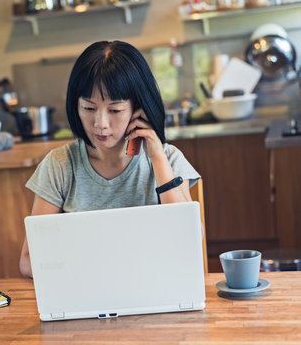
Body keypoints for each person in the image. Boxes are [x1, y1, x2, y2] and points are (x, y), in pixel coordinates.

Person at [19, 41, 201, 279]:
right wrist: (94, 271)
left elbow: (190, 241)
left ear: (139, 108)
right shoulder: (60, 164)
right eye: (88, 108)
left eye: (115, 110)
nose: (100, 124)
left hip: (155, 290)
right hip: (84, 292)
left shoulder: (168, 159)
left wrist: (156, 156)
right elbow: (27, 261)